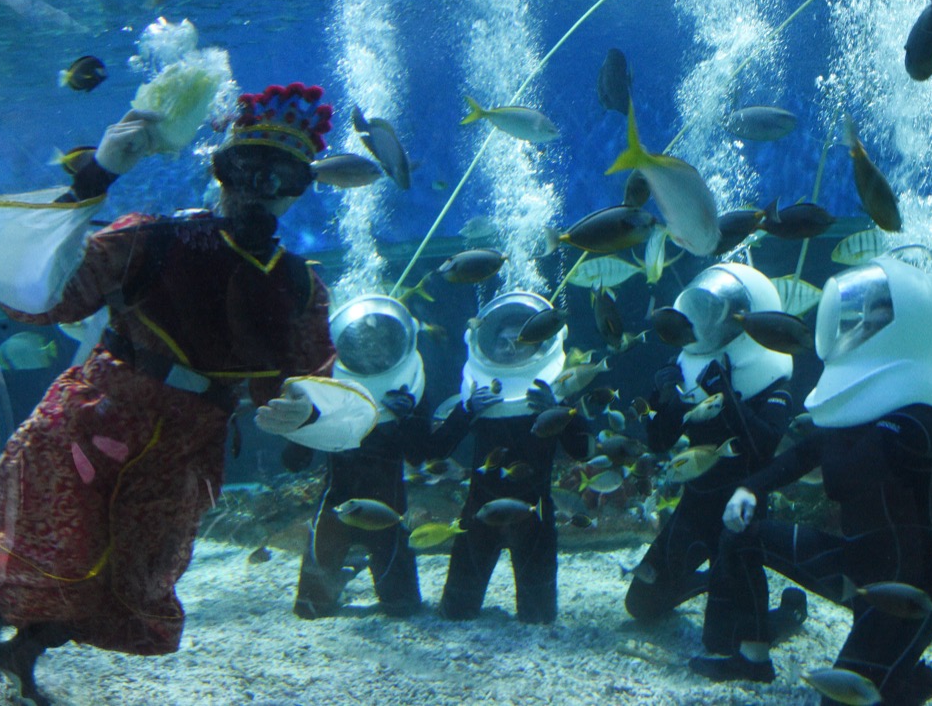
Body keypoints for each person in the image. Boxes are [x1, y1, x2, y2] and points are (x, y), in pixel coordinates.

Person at [0, 83, 339, 706]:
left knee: (134, 578)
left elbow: (303, 379)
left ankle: (21, 649)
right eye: (245, 169)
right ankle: (2, 626)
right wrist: (94, 175)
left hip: (188, 447)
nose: (258, 190)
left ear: (297, 189)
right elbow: (45, 297)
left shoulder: (298, 285)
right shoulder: (150, 239)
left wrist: (307, 411)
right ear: (220, 170)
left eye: (279, 177)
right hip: (95, 420)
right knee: (64, 548)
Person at [712, 253, 932, 705]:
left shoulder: (921, 418)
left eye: (877, 322)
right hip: (856, 565)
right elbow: (804, 453)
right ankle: (751, 656)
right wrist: (749, 487)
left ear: (907, 332)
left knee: (845, 699)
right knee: (741, 537)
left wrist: (830, 414)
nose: (860, 331)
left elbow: (842, 480)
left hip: (910, 589)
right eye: (863, 319)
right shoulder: (867, 409)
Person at [255, 294, 491, 619]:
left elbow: (426, 453)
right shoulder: (329, 388)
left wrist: (460, 412)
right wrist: (304, 419)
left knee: (402, 608)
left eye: (382, 342)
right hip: (337, 504)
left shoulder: (409, 388)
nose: (373, 351)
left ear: (397, 341)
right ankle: (348, 570)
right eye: (363, 343)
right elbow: (294, 461)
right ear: (346, 346)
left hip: (388, 511)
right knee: (310, 610)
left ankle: (352, 569)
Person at [624, 262, 803, 679]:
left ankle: (790, 615)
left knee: (721, 641)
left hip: (737, 519)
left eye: (718, 315)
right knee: (640, 606)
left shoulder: (772, 376)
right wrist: (666, 398)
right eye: (704, 314)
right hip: (693, 508)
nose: (708, 324)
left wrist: (728, 393)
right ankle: (703, 582)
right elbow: (658, 441)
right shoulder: (691, 365)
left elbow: (762, 450)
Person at [439, 291, 588, 624]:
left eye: (520, 341)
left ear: (538, 346)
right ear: (488, 348)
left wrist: (560, 411)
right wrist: (466, 411)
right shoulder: (479, 392)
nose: (509, 348)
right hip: (481, 509)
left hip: (534, 513)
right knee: (455, 612)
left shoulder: (553, 391)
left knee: (539, 617)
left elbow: (582, 450)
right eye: (502, 342)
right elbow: (437, 450)